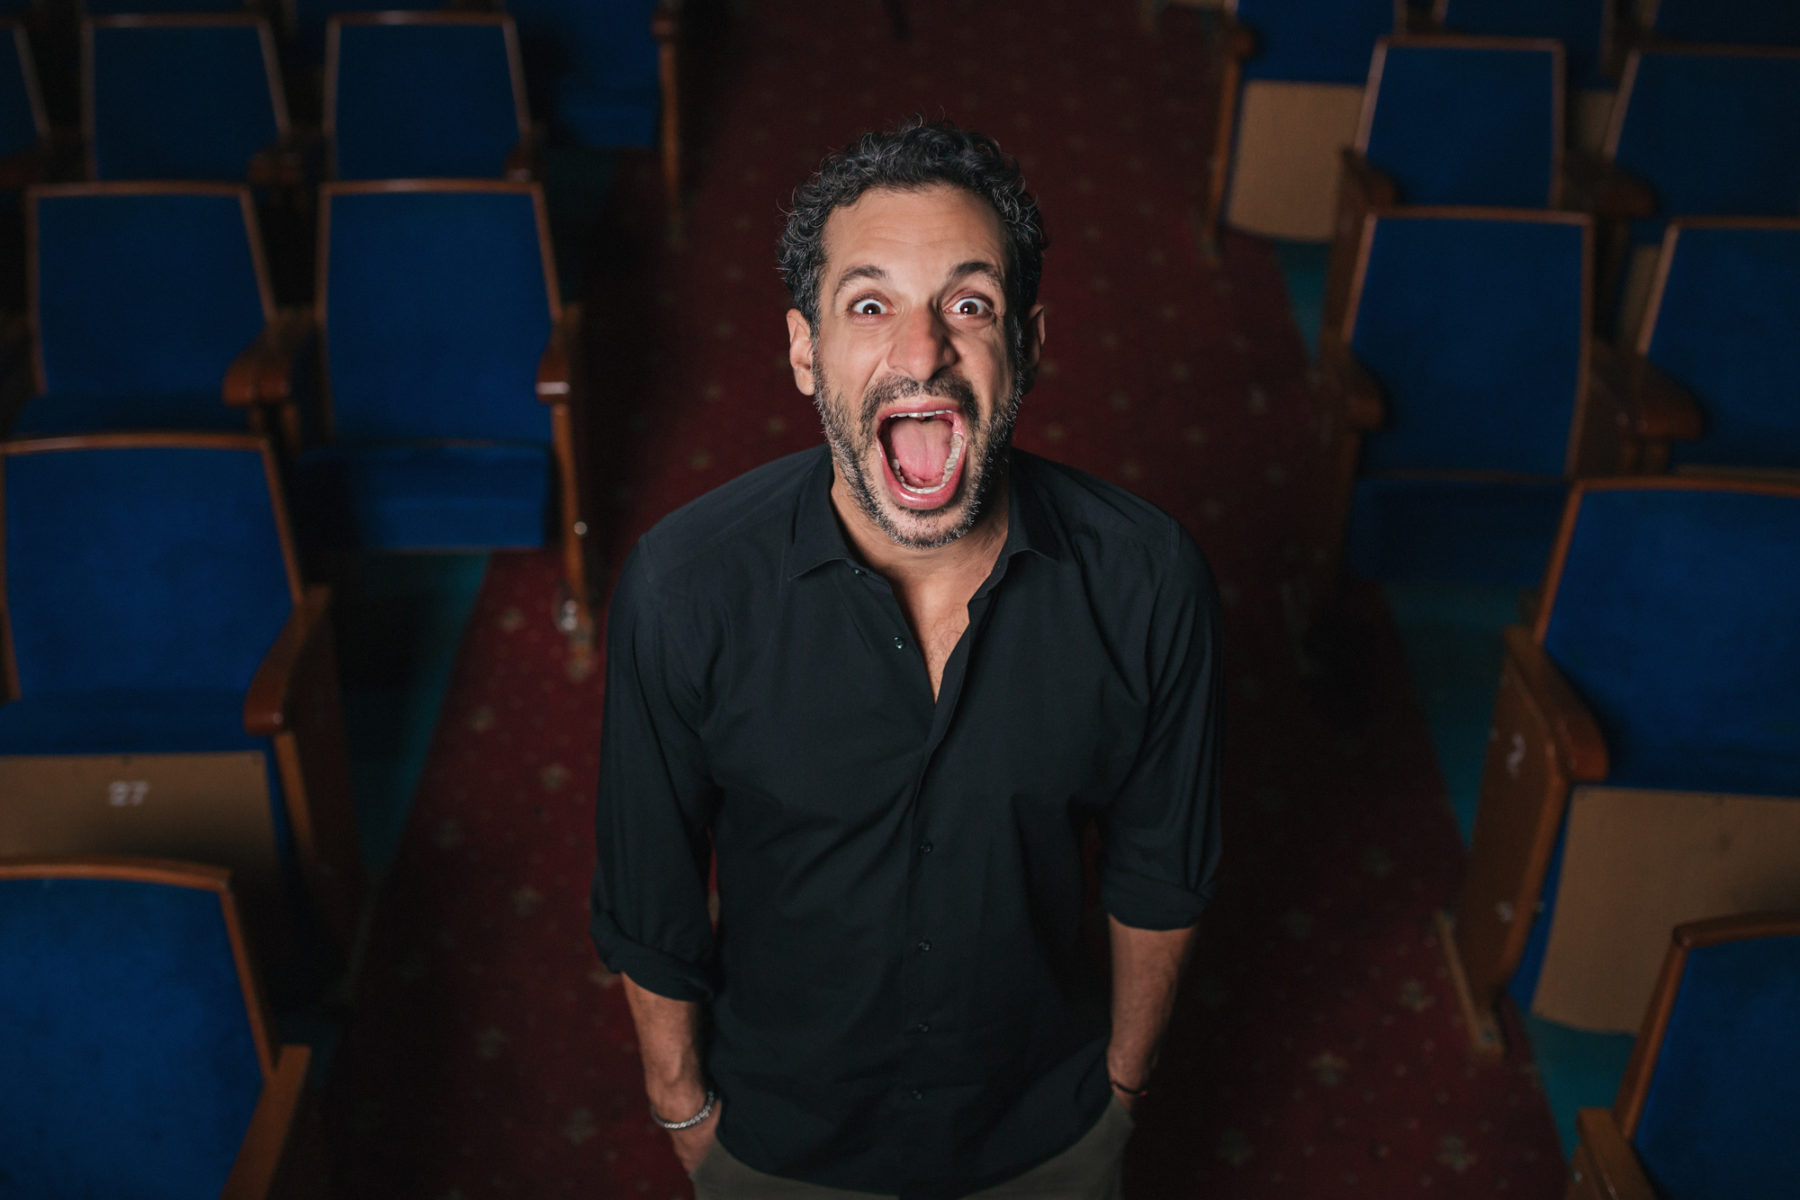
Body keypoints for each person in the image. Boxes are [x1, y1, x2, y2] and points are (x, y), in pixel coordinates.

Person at [590, 119, 1222, 1200]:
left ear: (1028, 343)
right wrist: (685, 1113)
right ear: (804, 352)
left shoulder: (1148, 581)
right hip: (779, 1143)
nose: (922, 352)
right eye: (869, 305)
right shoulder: (683, 590)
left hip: (1047, 1132)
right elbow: (649, 900)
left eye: (968, 305)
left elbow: (1162, 873)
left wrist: (1120, 1091)